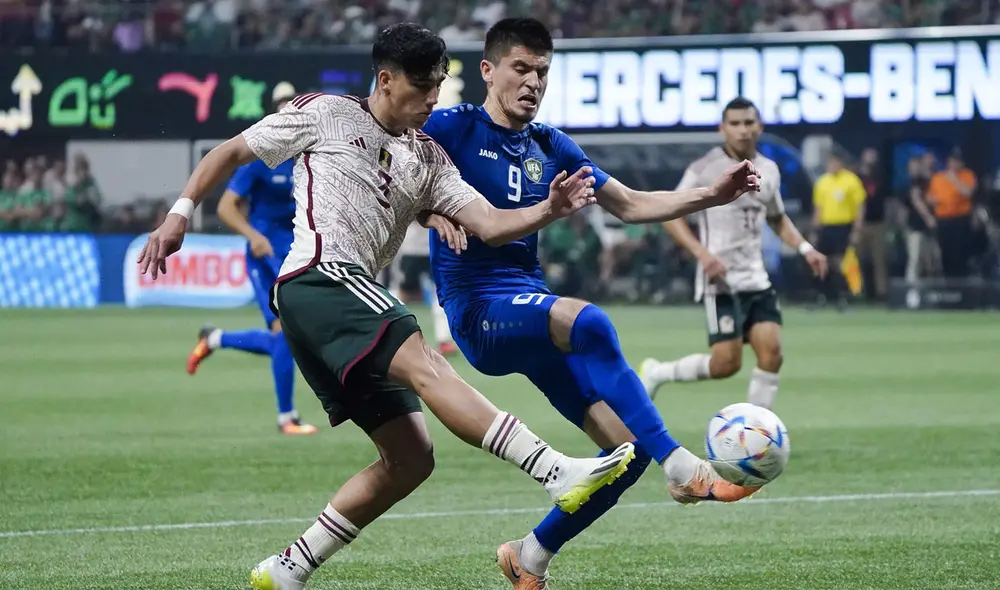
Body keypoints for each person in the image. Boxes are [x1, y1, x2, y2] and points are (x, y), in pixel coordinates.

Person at [137, 23, 636, 590]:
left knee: (410, 457)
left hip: (340, 302)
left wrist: (549, 209)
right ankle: (554, 471)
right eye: (422, 88)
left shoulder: (427, 158)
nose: (432, 100)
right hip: (317, 279)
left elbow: (492, 225)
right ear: (385, 79)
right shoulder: (325, 114)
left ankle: (288, 568)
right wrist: (179, 212)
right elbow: (229, 152)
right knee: (425, 357)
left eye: (438, 88)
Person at [422, 19, 764, 588]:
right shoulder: (449, 129)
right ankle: (681, 467)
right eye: (521, 68)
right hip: (479, 312)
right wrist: (430, 211)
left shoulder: (549, 145)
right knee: (592, 321)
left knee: (622, 456)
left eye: (543, 73)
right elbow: (384, 176)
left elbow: (629, 204)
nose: (533, 82)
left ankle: (529, 556)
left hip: (530, 310)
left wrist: (714, 194)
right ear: (488, 70)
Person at [638, 97, 828, 409]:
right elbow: (669, 212)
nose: (742, 130)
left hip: (756, 279)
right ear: (722, 128)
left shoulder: (769, 169)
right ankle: (658, 372)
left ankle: (756, 435)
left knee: (772, 354)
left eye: (748, 123)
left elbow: (776, 216)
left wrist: (806, 248)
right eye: (735, 124)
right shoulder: (705, 168)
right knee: (726, 364)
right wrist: (702, 254)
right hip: (722, 281)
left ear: (760, 126)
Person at [186, 85, 319, 435]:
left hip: (295, 253)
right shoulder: (261, 155)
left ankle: (216, 339)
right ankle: (286, 417)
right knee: (284, 334)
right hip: (263, 255)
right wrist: (253, 237)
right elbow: (225, 208)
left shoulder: (307, 155)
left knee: (294, 336)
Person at [393, 220, 458, 355]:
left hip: (432, 249)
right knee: (401, 293)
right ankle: (382, 336)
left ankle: (444, 341)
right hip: (411, 250)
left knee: (440, 293)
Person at [810, 153, 865, 310]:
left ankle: (843, 297)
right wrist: (815, 230)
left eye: (835, 163)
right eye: (830, 163)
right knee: (821, 262)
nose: (832, 166)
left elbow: (859, 207)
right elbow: (818, 209)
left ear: (840, 163)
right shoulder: (822, 182)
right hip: (826, 227)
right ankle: (822, 296)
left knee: (841, 263)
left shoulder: (851, 181)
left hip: (844, 227)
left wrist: (857, 229)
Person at [928, 148, 977, 279]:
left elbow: (968, 193)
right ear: (948, 162)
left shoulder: (967, 175)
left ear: (961, 163)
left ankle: (961, 279)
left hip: (961, 218)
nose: (954, 164)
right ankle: (947, 278)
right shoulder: (938, 178)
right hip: (943, 219)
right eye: (952, 161)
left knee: (960, 250)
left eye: (957, 161)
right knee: (945, 250)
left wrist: (954, 179)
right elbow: (930, 197)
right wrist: (933, 200)